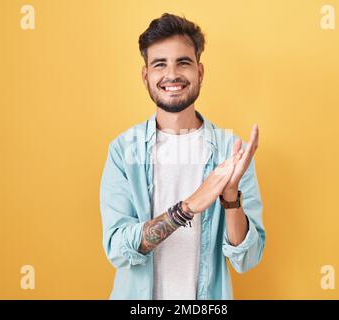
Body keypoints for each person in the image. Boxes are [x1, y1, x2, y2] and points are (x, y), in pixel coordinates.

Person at [99, 13, 265, 300]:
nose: (172, 74)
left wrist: (230, 197)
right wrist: (188, 207)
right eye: (159, 64)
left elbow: (246, 258)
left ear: (200, 72)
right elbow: (118, 249)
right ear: (145, 75)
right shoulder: (124, 150)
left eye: (183, 62)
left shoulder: (231, 150)